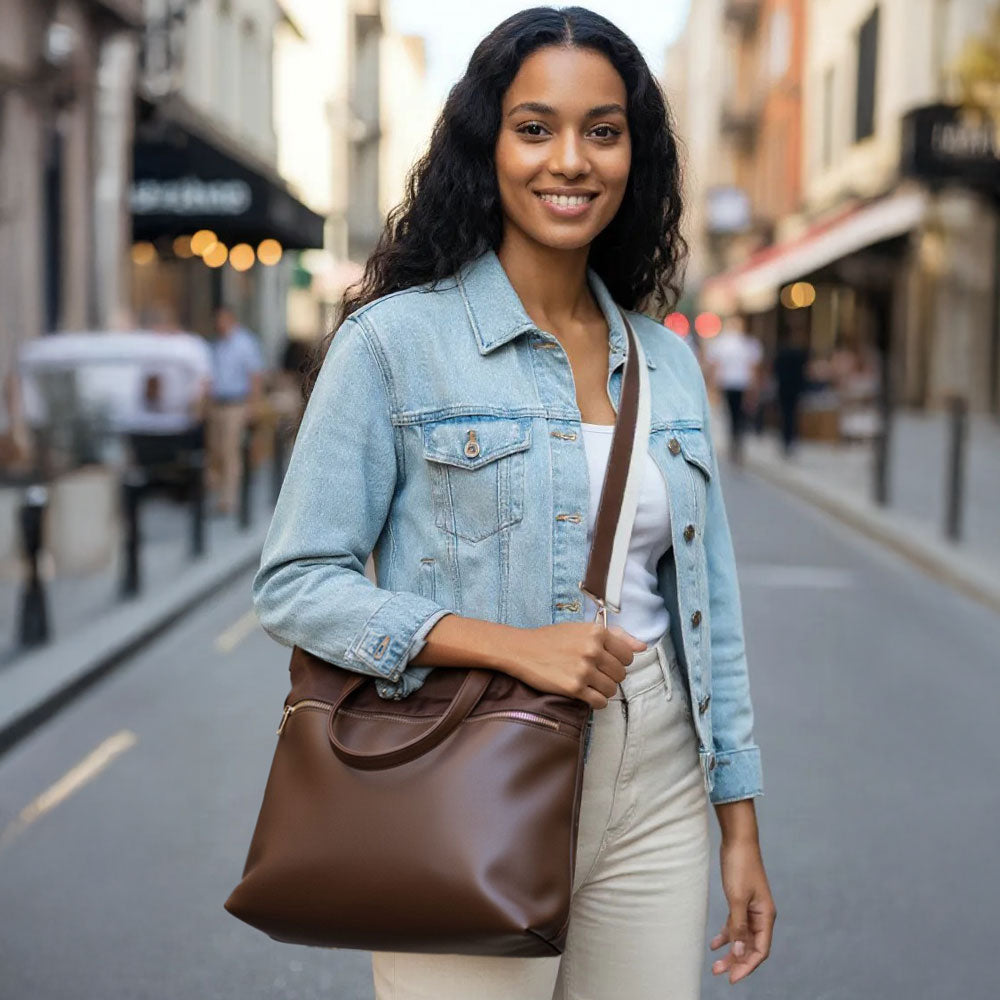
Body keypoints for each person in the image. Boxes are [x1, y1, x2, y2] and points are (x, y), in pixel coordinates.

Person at [252, 8, 774, 998]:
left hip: (656, 766)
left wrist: (737, 819)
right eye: (535, 127)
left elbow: (714, 609)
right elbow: (295, 583)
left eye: (603, 131)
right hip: (466, 765)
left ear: (635, 154)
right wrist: (505, 642)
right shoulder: (394, 344)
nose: (569, 160)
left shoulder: (666, 359)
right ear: (485, 143)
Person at [206, 305, 264, 514]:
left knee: (231, 451)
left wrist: (252, 405)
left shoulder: (245, 344)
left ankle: (228, 499)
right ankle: (218, 491)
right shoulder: (216, 344)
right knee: (216, 451)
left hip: (236, 404)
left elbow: (255, 376)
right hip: (217, 404)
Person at [704, 315, 763, 464]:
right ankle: (737, 442)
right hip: (739, 384)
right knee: (738, 415)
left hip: (730, 384)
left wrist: (713, 386)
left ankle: (735, 441)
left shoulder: (724, 344)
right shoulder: (747, 344)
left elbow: (715, 366)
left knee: (732, 415)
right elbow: (752, 368)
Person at [773, 315, 810, 455]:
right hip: (793, 387)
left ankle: (787, 439)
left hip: (785, 387)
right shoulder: (800, 352)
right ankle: (789, 439)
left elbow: (776, 369)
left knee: (786, 414)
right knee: (791, 414)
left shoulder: (783, 351)